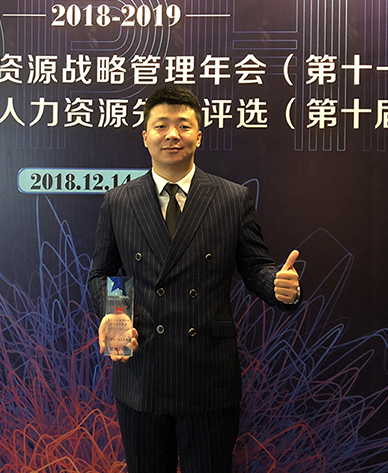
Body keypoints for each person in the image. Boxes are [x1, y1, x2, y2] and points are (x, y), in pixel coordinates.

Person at [87, 86, 301, 473]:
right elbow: (105, 274)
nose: (172, 134)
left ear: (199, 136)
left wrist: (276, 286)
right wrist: (116, 314)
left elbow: (255, 267)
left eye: (184, 126)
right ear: (145, 136)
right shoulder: (119, 201)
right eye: (161, 126)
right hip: (143, 373)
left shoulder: (232, 198)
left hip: (208, 374)